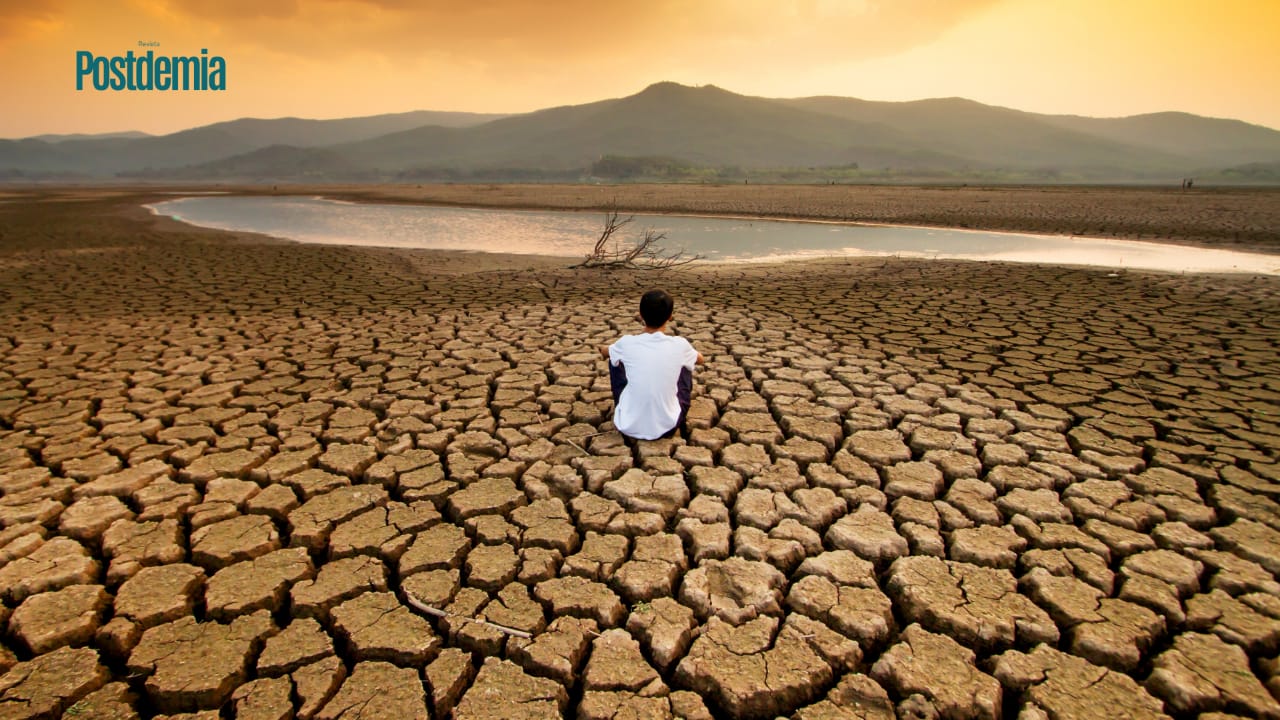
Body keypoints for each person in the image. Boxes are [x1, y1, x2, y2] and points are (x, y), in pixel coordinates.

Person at [598, 289, 705, 440]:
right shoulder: (680, 345)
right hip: (669, 425)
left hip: (628, 425)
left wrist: (611, 349)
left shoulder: (627, 343)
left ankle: (626, 404)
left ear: (640, 315)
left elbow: (604, 352)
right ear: (670, 316)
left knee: (614, 358)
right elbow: (701, 359)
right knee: (686, 362)